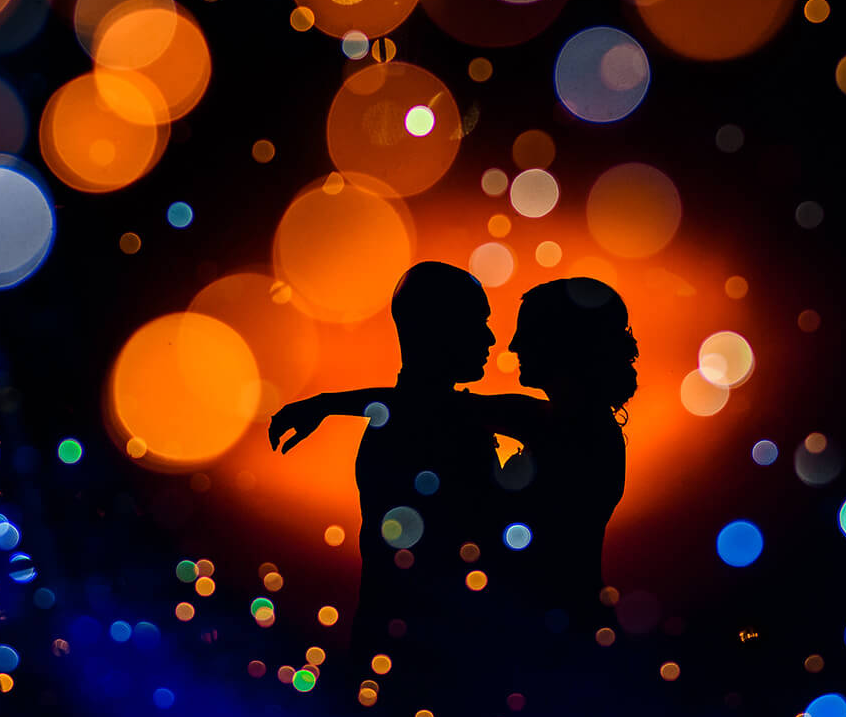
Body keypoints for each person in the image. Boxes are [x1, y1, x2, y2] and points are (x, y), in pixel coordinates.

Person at [271, 275, 640, 668]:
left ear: (564, 342)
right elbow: (434, 404)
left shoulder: (567, 428)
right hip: (556, 638)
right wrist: (325, 404)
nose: (511, 344)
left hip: (561, 646)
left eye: (527, 332)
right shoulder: (568, 423)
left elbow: (432, 405)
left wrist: (324, 404)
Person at [271, 262, 500, 710]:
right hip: (428, 664)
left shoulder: (420, 419)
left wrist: (327, 402)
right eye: (479, 324)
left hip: (407, 654)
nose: (490, 339)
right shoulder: (428, 428)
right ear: (438, 331)